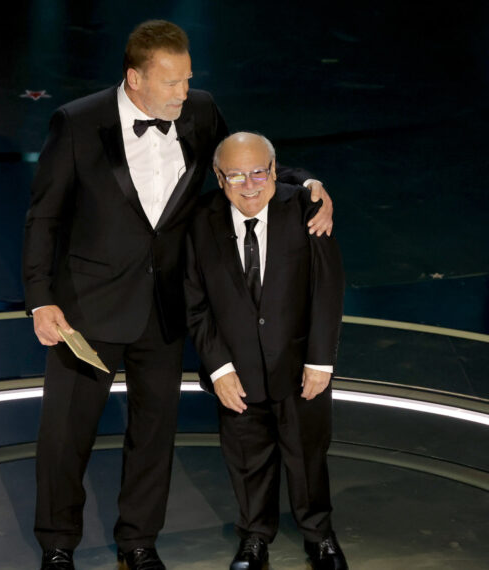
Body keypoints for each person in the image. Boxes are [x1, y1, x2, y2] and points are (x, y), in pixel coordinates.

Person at [22, 20, 334, 570]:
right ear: (134, 79)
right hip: (86, 309)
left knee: (153, 433)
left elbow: (244, 164)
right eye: (171, 83)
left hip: (166, 307)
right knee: (66, 436)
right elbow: (44, 217)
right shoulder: (76, 123)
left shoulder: (200, 111)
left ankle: (138, 543)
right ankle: (57, 545)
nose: (183, 94)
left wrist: (308, 184)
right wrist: (40, 298)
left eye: (188, 80)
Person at [184, 132, 348, 570]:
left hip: (299, 367)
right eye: (236, 175)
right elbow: (194, 301)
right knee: (246, 459)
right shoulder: (200, 220)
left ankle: (319, 534)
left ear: (275, 171)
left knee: (307, 455)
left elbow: (326, 291)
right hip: (236, 371)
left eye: (259, 172)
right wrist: (218, 368)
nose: (249, 185)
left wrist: (320, 360)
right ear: (220, 178)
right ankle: (255, 537)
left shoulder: (305, 209)